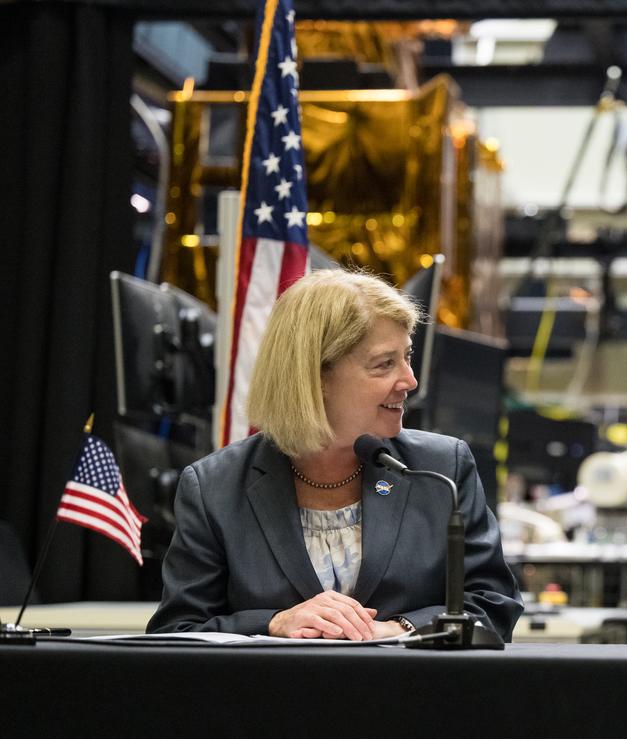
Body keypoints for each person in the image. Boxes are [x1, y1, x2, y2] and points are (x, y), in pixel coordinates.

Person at [148, 269, 522, 640]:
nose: (410, 381)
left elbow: (493, 603)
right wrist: (274, 623)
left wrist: (397, 629)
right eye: (385, 364)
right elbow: (177, 632)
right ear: (317, 376)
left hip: (408, 697)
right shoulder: (214, 487)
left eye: (406, 357)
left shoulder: (443, 469)